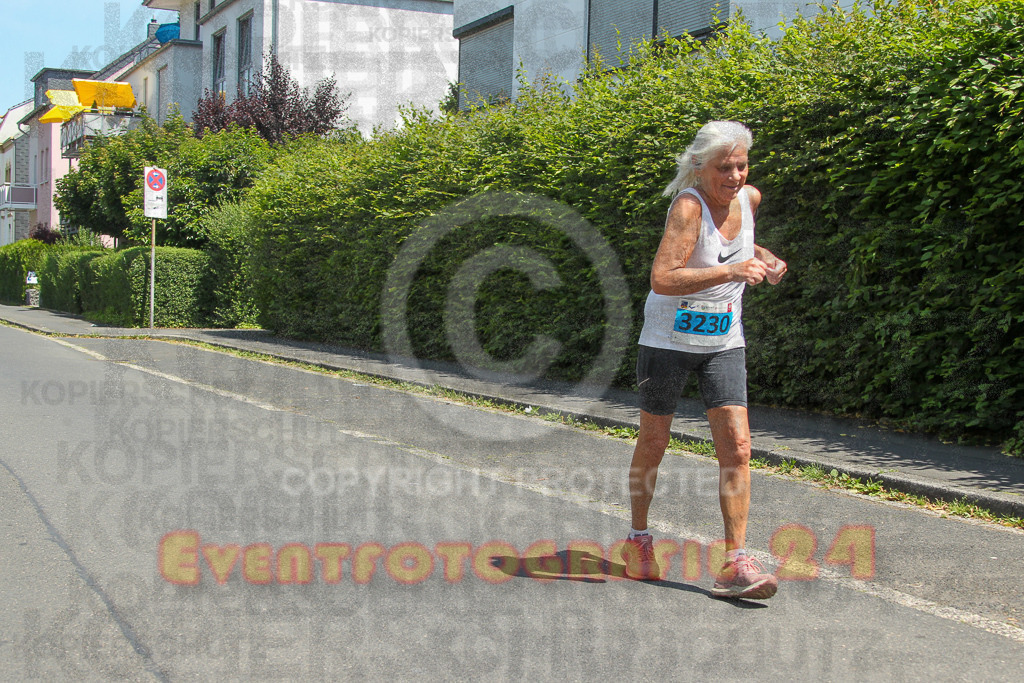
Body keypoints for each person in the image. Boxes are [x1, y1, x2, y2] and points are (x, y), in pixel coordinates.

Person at [622, 121, 786, 599]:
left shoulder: (748, 199)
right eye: (724, 167)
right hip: (667, 341)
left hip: (724, 340)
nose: (735, 175)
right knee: (654, 441)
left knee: (737, 447)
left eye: (741, 165)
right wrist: (733, 269)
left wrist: (764, 257)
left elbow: (737, 242)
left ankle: (735, 562)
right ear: (700, 166)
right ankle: (638, 539)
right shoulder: (688, 206)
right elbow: (663, 277)